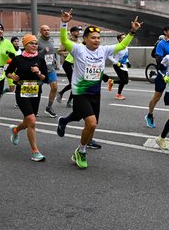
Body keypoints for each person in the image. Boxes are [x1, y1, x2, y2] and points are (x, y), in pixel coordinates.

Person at [56, 11, 140, 169]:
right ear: (85, 39)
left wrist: (132, 31)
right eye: (93, 38)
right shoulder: (78, 50)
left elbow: (122, 45)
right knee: (92, 123)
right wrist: (64, 24)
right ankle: (80, 151)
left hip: (95, 93)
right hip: (80, 92)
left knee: (88, 122)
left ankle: (64, 122)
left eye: (98, 38)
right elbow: (63, 40)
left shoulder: (104, 50)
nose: (96, 40)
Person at [5, 34, 50, 162]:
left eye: (36, 43)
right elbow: (8, 71)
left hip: (35, 92)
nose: (35, 46)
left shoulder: (40, 58)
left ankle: (15, 130)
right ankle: (35, 151)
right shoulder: (18, 59)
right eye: (32, 43)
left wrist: (38, 72)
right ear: (25, 45)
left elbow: (46, 79)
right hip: (22, 92)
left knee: (29, 121)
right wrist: (12, 77)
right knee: (32, 120)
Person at [146, 24, 169, 128]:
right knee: (157, 97)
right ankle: (149, 115)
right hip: (163, 74)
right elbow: (159, 60)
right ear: (165, 32)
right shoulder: (161, 44)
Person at [37, 24, 60, 117]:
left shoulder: (51, 40)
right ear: (41, 32)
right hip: (40, 70)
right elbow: (34, 55)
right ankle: (34, 109)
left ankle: (49, 108)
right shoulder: (37, 42)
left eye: (48, 30)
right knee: (37, 91)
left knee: (54, 87)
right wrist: (42, 52)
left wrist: (54, 60)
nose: (47, 32)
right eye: (44, 30)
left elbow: (51, 52)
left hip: (50, 69)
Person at [56, 25, 82, 107]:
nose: (78, 33)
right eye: (77, 31)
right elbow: (59, 51)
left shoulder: (80, 42)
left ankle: (68, 100)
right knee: (73, 83)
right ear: (72, 32)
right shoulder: (67, 41)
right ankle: (62, 94)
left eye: (79, 31)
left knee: (76, 83)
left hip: (76, 65)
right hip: (67, 64)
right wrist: (69, 54)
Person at [106, 33, 130, 100]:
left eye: (125, 37)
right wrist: (117, 63)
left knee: (126, 81)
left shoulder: (126, 46)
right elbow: (109, 56)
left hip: (124, 65)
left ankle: (112, 81)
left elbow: (125, 56)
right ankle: (118, 95)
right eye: (123, 38)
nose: (125, 39)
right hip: (117, 66)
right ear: (119, 39)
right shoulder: (117, 47)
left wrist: (128, 62)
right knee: (123, 80)